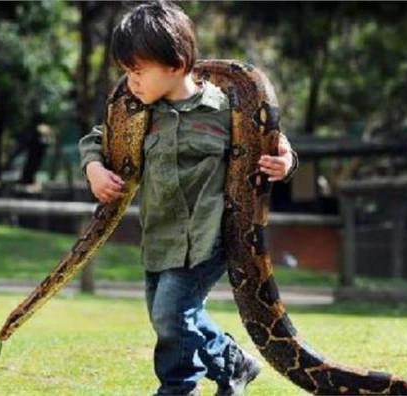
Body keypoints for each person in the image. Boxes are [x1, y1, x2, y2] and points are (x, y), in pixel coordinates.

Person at [78, 2, 299, 395]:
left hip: (208, 236)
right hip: (160, 234)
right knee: (170, 317)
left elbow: (277, 145)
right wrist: (94, 168)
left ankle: (178, 388)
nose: (130, 82)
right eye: (126, 71)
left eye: (138, 70)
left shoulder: (226, 110)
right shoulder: (140, 115)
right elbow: (99, 140)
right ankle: (233, 361)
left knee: (171, 313)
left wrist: (287, 161)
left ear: (176, 66)